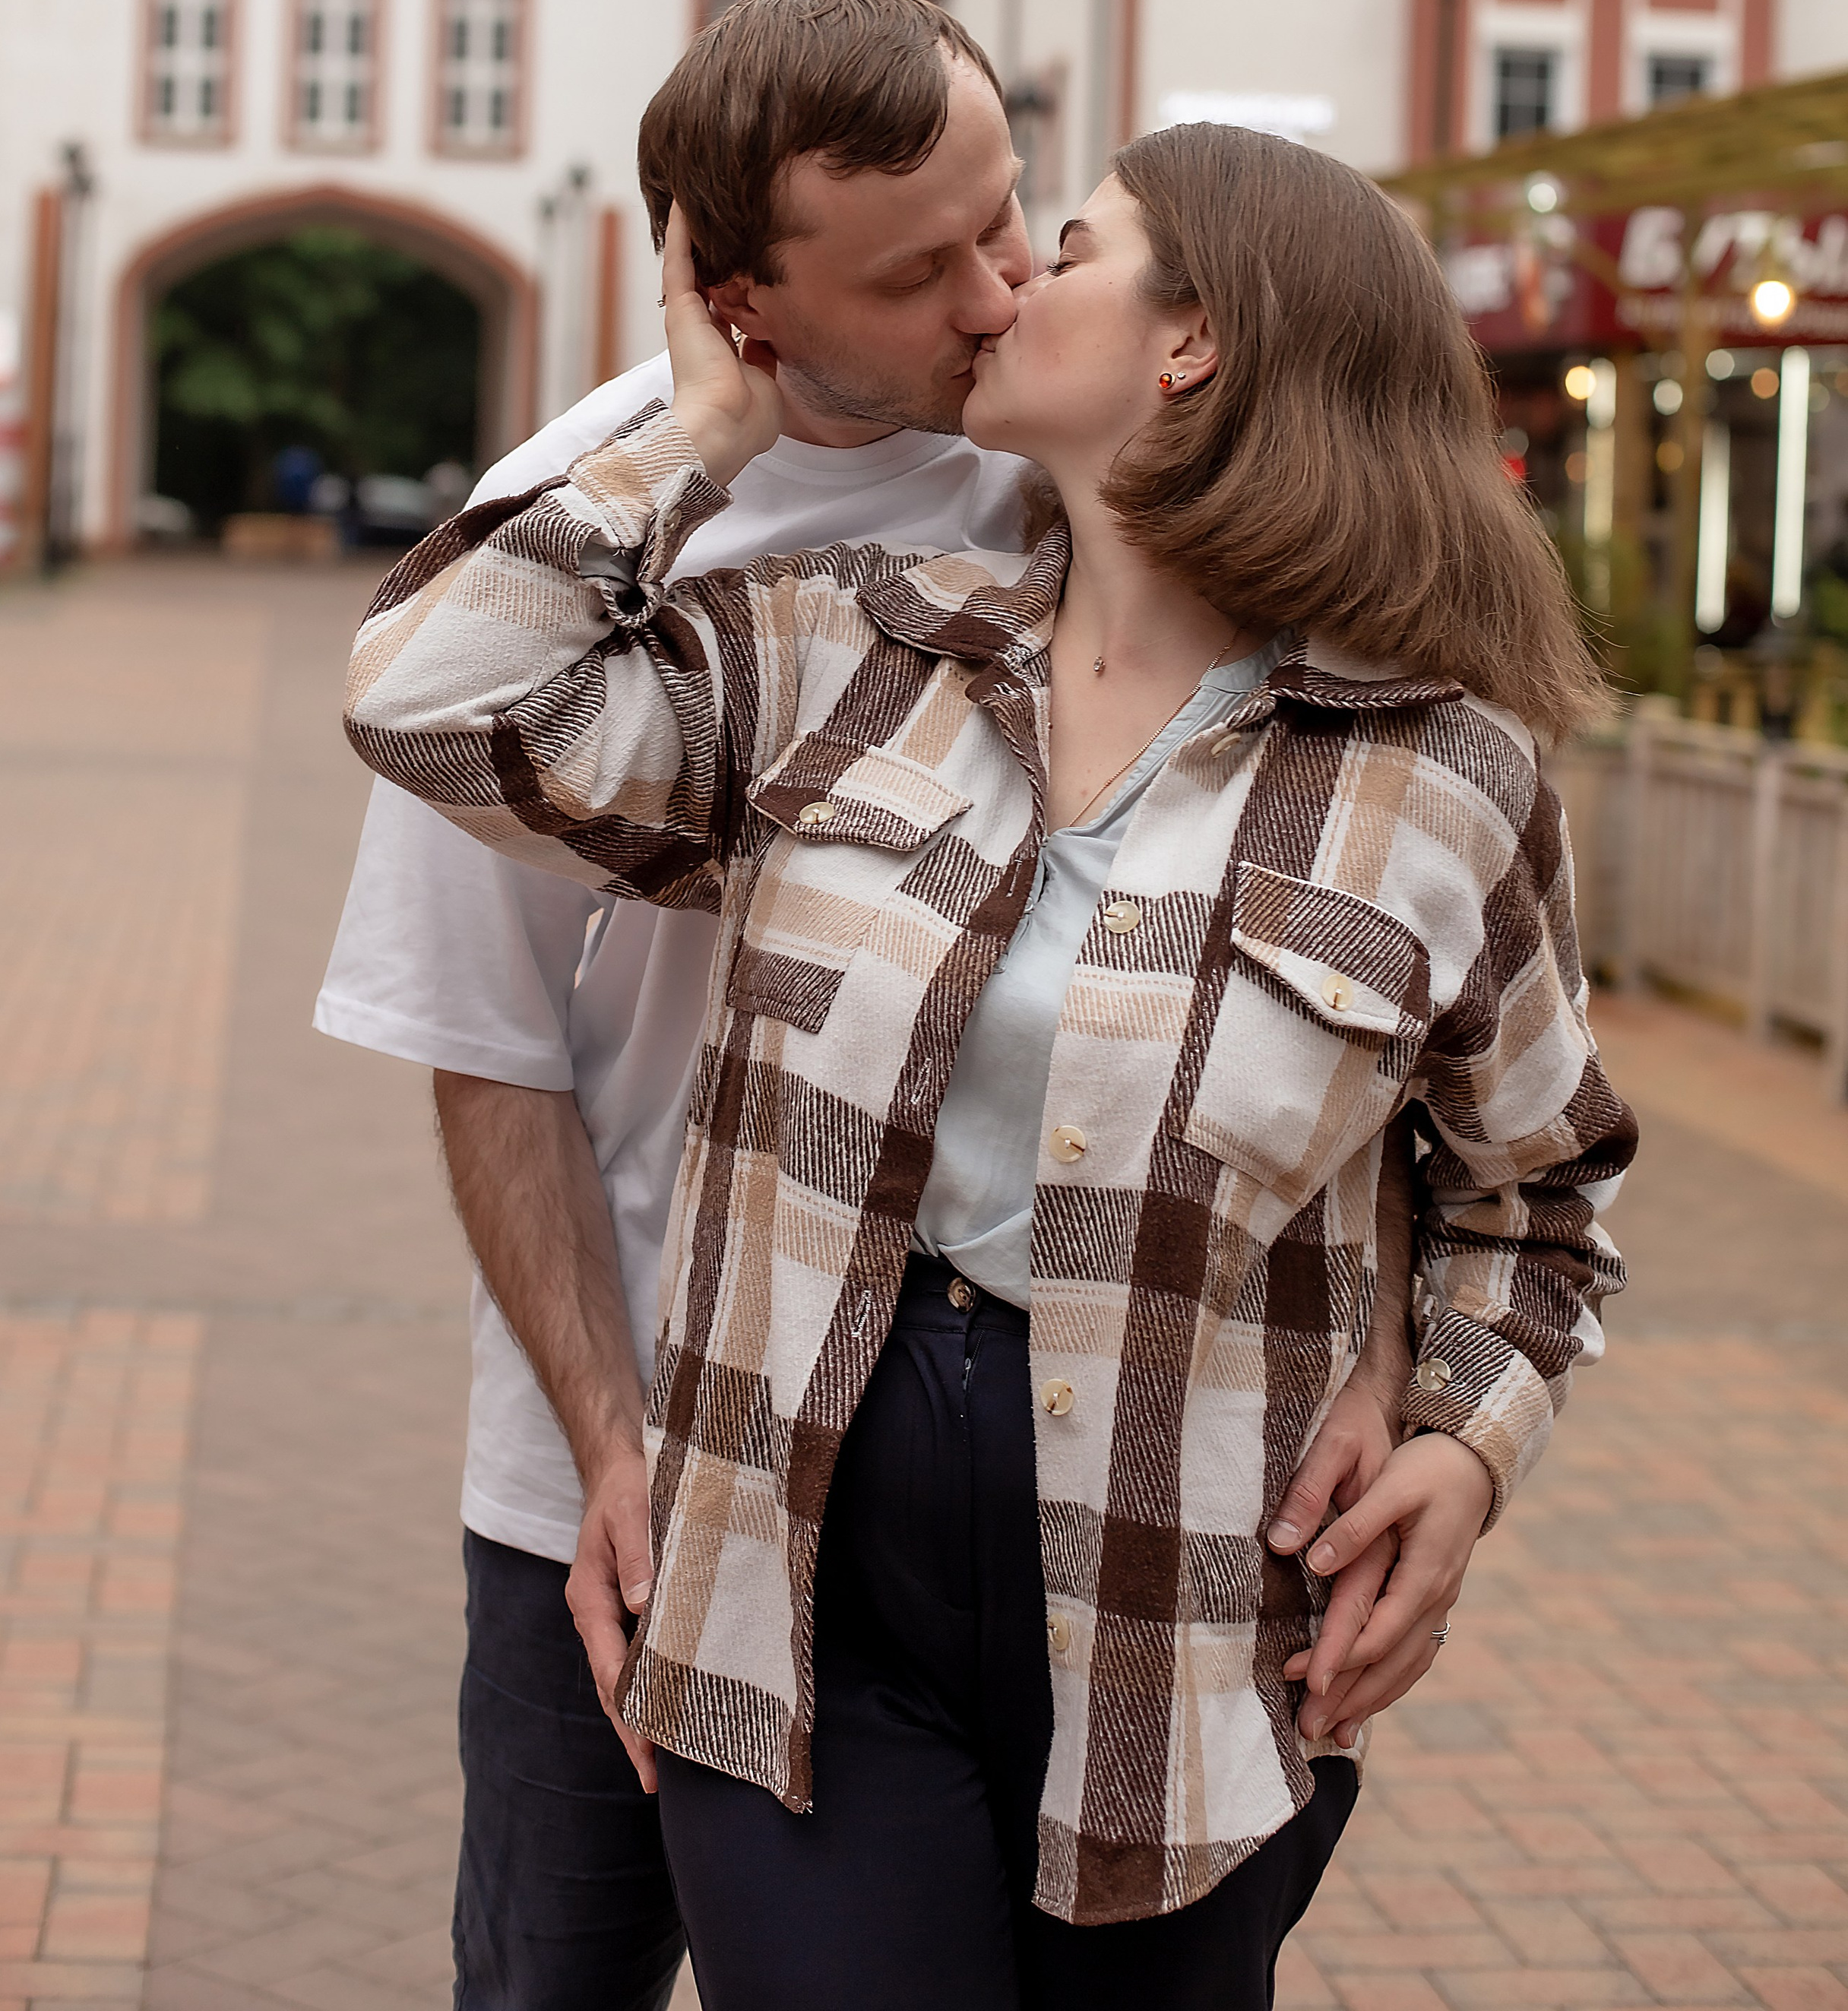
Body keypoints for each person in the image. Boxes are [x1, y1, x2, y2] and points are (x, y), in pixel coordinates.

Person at [343, 112, 1636, 2010]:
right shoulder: (848, 653)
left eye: (1076, 244)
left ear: (1190, 343)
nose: (1015, 278)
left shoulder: (1445, 787)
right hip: (795, 1583)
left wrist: (1460, 1442)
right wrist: (706, 429)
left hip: (1183, 1610)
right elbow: (430, 697)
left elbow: (1538, 1197)